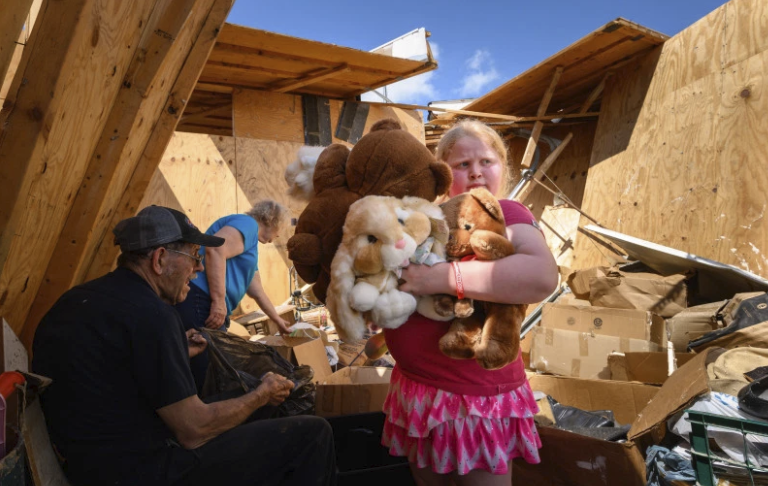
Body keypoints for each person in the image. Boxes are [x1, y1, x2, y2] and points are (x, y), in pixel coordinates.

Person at [32, 206, 336, 486]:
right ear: (160, 259)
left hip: (89, 463)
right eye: (194, 256)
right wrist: (261, 394)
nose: (200, 269)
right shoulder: (153, 316)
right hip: (141, 471)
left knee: (256, 401)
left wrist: (175, 349)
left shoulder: (79, 299)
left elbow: (115, 371)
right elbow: (193, 431)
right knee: (312, 433)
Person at [383, 120, 559, 485]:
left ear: (502, 168)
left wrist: (439, 279)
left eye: (486, 161)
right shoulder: (429, 223)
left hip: (472, 400)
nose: (476, 172)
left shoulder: (504, 214)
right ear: (444, 176)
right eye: (462, 165)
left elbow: (541, 276)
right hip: (417, 389)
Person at [174, 200, 291, 390]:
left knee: (211, 371)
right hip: (201, 301)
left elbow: (256, 290)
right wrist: (219, 302)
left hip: (204, 302)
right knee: (205, 372)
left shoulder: (248, 244)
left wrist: (277, 319)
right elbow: (215, 248)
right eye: (280, 229)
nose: (278, 235)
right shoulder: (248, 224)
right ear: (272, 221)